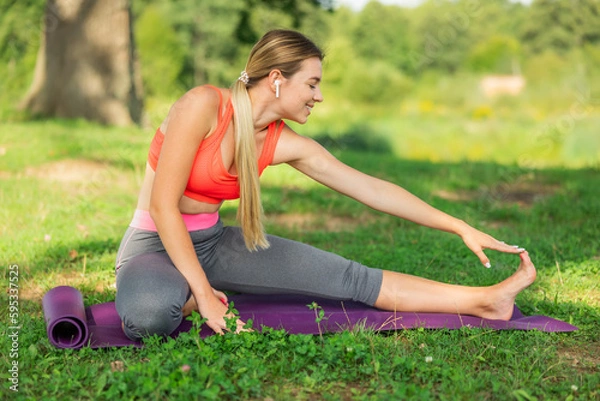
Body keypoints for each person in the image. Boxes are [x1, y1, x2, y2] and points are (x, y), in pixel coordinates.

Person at [114, 29, 536, 340]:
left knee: (352, 279)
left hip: (214, 244)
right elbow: (163, 207)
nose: (318, 96)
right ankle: (186, 291)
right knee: (149, 317)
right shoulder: (202, 105)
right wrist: (203, 295)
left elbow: (372, 189)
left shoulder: (284, 143)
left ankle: (485, 300)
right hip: (154, 245)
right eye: (312, 84)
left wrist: (458, 225)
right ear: (277, 78)